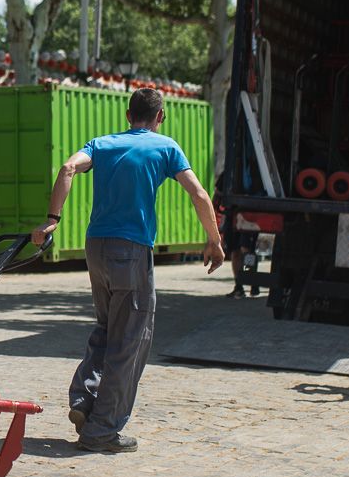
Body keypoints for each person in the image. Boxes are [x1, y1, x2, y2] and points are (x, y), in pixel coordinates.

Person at [31, 88, 225, 454]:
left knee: (107, 327)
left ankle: (85, 402)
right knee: (131, 338)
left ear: (127, 114)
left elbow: (68, 167)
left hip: (96, 248)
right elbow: (199, 194)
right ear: (160, 116)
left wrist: (52, 220)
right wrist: (214, 240)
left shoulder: (101, 144)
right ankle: (102, 431)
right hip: (131, 250)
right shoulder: (166, 146)